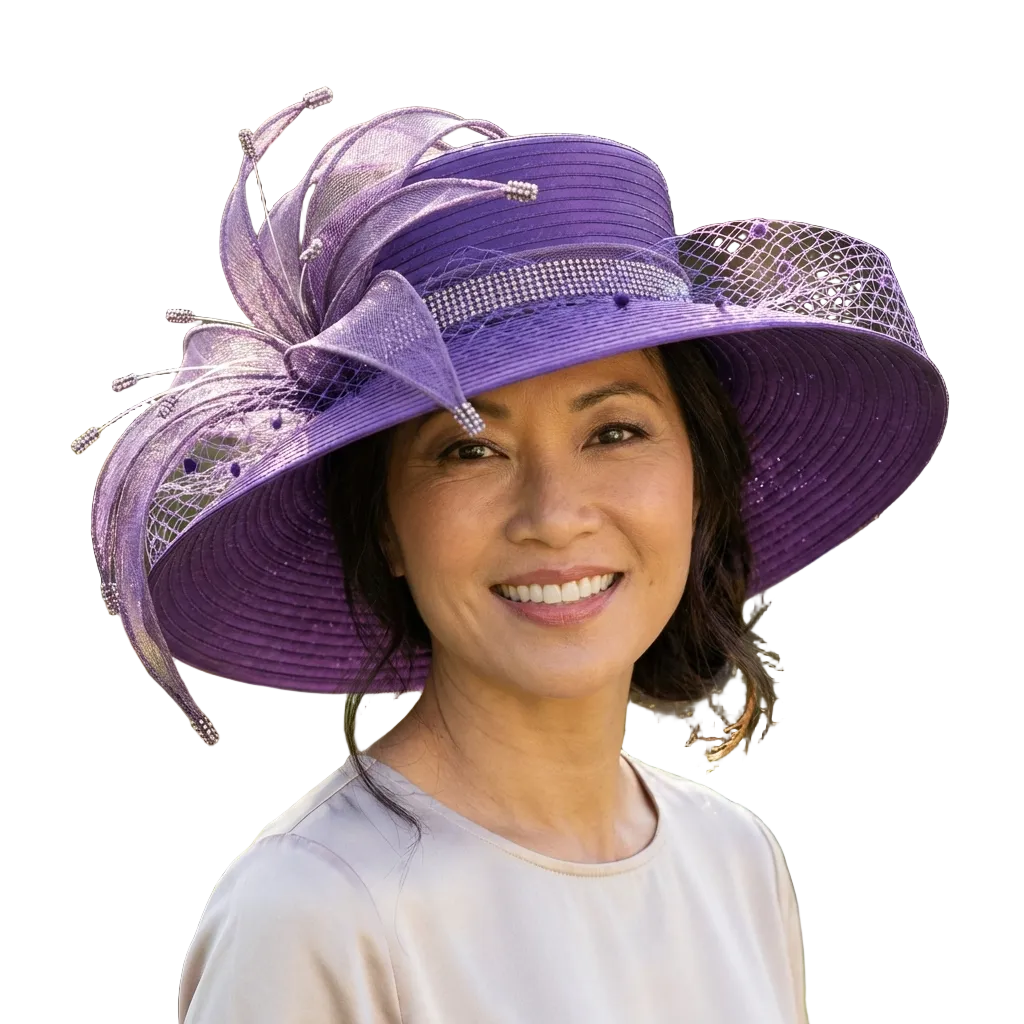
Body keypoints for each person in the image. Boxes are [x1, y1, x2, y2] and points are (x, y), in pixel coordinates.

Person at [74, 88, 948, 1022]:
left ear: (701, 476)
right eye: (469, 449)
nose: (554, 515)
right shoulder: (314, 915)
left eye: (614, 432)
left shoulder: (739, 865)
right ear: (385, 524)